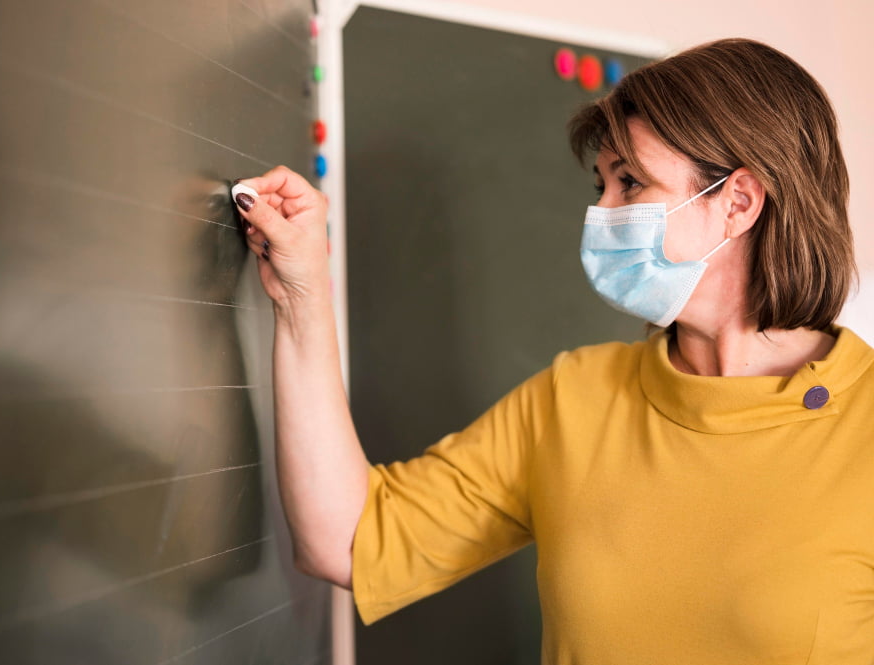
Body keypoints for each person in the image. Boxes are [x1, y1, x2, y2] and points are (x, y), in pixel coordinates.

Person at [232, 38, 874, 663]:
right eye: (600, 186)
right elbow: (348, 542)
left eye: (630, 183)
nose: (602, 211)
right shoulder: (574, 399)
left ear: (738, 202)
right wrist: (300, 295)